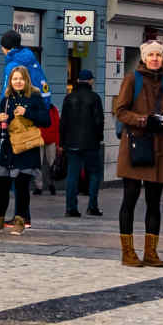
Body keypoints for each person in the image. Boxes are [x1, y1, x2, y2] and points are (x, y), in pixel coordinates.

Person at [112, 42, 163, 267]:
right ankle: (127, 253)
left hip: (158, 148)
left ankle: (151, 253)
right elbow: (119, 111)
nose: (155, 58)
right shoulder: (132, 79)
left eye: (158, 55)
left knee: (154, 203)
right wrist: (143, 120)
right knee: (130, 198)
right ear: (144, 57)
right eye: (151, 55)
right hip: (135, 146)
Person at [0, 65, 50, 236]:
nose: (18, 82)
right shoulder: (6, 100)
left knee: (21, 186)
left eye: (20, 79)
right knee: (2, 185)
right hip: (8, 149)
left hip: (26, 149)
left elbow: (46, 120)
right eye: (14, 79)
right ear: (10, 82)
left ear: (26, 80)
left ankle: (20, 220)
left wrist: (27, 112)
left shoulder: (34, 97)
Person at [60, 69, 104, 217]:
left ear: (78, 80)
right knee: (94, 174)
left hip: (71, 142)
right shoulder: (95, 98)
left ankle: (70, 208)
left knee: (72, 175)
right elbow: (99, 121)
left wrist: (62, 142)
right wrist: (99, 138)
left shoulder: (69, 98)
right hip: (91, 142)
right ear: (90, 81)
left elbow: (63, 122)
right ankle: (92, 206)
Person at [0, 30, 51, 103]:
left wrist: (2, 110)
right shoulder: (32, 60)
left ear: (8, 48)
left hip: (23, 109)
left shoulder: (12, 66)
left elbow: (7, 92)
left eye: (2, 46)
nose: (1, 49)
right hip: (41, 106)